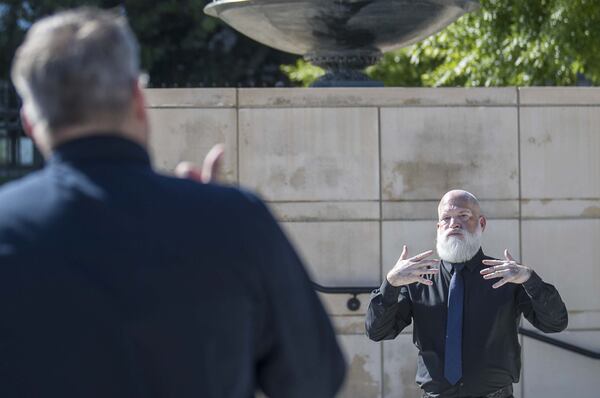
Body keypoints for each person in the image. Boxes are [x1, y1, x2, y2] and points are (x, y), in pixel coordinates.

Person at [1, 7, 346, 397]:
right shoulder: (235, 222)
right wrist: (212, 226)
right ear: (137, 98)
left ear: (30, 123)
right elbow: (315, 379)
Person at [365, 189, 567, 398]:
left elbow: (555, 323)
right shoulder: (416, 280)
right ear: (438, 228)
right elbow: (377, 332)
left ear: (481, 224)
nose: (454, 223)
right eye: (446, 218)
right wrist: (390, 284)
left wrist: (529, 279)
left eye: (463, 215)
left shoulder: (507, 277)